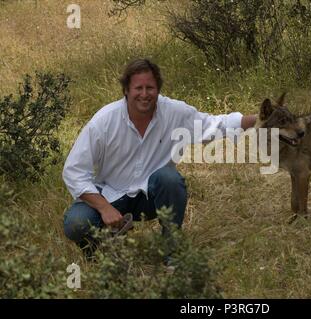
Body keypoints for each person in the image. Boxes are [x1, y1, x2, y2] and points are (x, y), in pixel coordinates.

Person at [62, 58, 256, 257]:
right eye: (138, 88)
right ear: (126, 90)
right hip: (111, 194)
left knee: (170, 178)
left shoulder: (174, 112)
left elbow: (214, 124)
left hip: (150, 195)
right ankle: (101, 251)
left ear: (158, 89)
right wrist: (104, 208)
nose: (144, 94)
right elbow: (74, 170)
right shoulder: (104, 121)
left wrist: (259, 120)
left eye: (150, 88)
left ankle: (171, 251)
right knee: (76, 224)